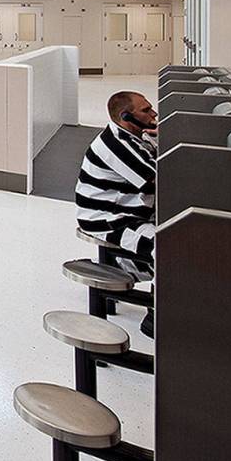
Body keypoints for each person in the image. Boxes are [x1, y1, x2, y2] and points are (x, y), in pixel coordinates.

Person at [75, 91, 157, 334]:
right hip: (109, 219)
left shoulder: (136, 136)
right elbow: (155, 181)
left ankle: (122, 270)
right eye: (146, 110)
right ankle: (155, 316)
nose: (153, 114)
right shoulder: (116, 145)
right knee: (168, 246)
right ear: (125, 117)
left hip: (132, 210)